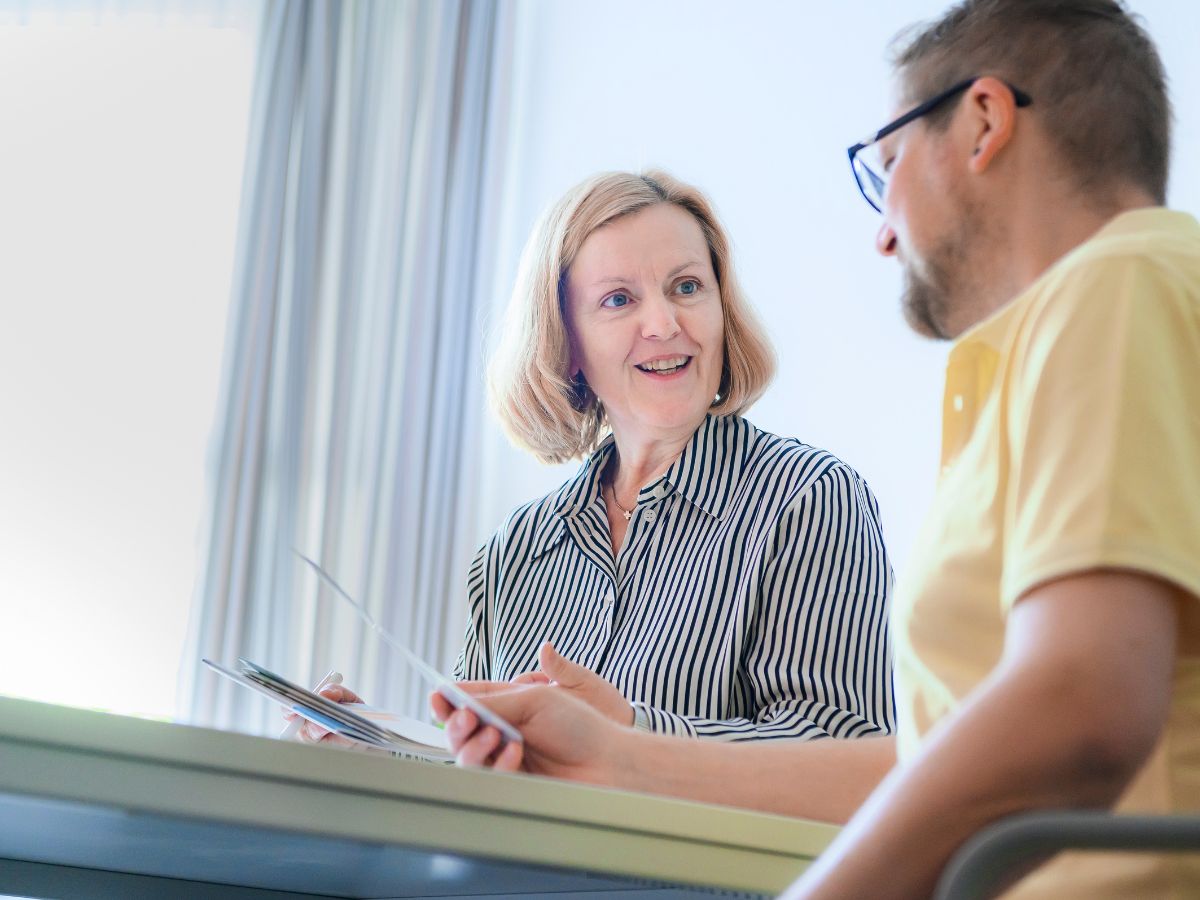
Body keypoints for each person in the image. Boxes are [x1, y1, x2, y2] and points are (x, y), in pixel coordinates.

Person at [434, 1, 1200, 897]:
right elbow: (925, 763)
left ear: (985, 123)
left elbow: (1078, 708)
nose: (883, 232)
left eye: (888, 167)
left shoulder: (1118, 287)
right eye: (618, 300)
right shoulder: (1085, 322)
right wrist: (620, 755)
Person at [297, 170, 896, 745]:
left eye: (687, 287)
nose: (663, 323)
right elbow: (468, 764)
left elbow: (842, 751)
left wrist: (627, 734)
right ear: (565, 342)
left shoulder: (811, 498)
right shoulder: (515, 550)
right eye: (618, 299)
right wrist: (376, 747)